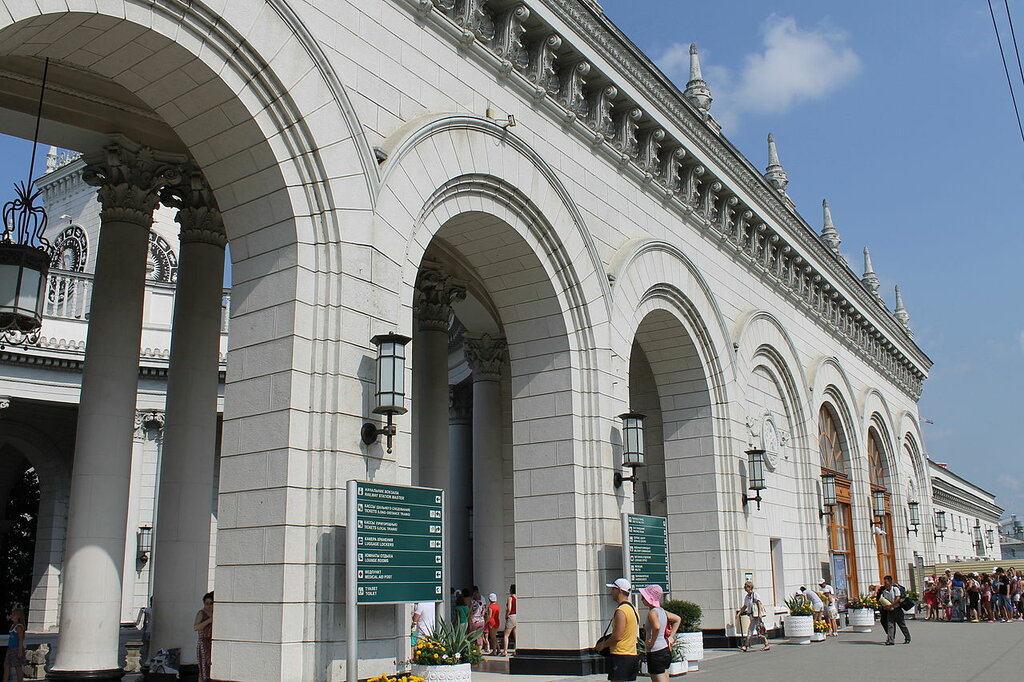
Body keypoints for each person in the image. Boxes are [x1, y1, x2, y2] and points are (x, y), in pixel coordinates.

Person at [596, 578, 640, 682]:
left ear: (619, 590)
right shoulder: (633, 608)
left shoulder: (621, 611)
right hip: (632, 654)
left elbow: (617, 636)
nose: (611, 592)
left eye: (613, 589)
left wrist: (603, 645)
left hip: (621, 655)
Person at [639, 584, 679, 682]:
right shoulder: (663, 611)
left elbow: (656, 627)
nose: (641, 599)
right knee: (665, 678)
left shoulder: (652, 612)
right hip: (664, 649)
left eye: (643, 597)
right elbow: (678, 619)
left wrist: (652, 641)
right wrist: (670, 637)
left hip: (655, 651)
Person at [875, 576, 910, 645]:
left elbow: (898, 598)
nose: (885, 584)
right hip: (890, 610)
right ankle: (891, 640)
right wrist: (884, 606)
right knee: (890, 625)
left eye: (886, 582)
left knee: (902, 624)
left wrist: (891, 605)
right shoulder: (884, 591)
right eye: (884, 582)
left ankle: (907, 637)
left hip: (897, 609)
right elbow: (882, 600)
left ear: (890, 582)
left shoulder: (895, 589)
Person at [735, 581, 769, 652]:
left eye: (746, 586)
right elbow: (745, 606)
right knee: (751, 630)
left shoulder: (755, 595)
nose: (744, 588)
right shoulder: (747, 597)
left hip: (757, 616)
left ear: (750, 587)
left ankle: (765, 644)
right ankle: (746, 645)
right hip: (752, 616)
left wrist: (760, 614)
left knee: (760, 629)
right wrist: (739, 613)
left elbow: (758, 603)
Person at [193, 591, 214, 682]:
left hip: (212, 643)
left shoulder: (215, 612)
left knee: (211, 668)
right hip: (203, 644)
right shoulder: (201, 613)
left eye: (211, 603)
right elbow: (195, 627)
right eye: (207, 604)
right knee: (204, 669)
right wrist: (209, 620)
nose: (209, 606)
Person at [3, 607, 25, 682]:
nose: (12, 616)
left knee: (17, 667)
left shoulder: (19, 627)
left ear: (18, 616)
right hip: (10, 648)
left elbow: (20, 639)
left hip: (16, 649)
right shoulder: (13, 625)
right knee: (6, 665)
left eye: (13, 614)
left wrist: (20, 651)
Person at [500, 584, 517, 657]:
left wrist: (507, 614)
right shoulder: (517, 598)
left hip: (511, 616)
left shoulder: (510, 598)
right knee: (515, 634)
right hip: (517, 616)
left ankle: (505, 651)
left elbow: (509, 608)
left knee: (506, 635)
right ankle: (516, 650)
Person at [134, 599, 153, 663]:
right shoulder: (151, 610)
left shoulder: (148, 610)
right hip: (151, 630)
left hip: (148, 631)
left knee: (146, 646)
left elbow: (144, 618)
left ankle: (145, 659)